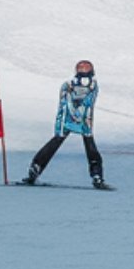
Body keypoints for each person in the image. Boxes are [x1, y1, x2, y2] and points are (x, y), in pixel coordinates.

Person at [22, 60, 109, 189]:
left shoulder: (70, 85)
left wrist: (73, 114)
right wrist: (77, 115)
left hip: (72, 118)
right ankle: (97, 175)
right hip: (80, 118)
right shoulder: (90, 85)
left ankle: (35, 169)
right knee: (89, 147)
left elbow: (68, 102)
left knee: (57, 143)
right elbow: (82, 102)